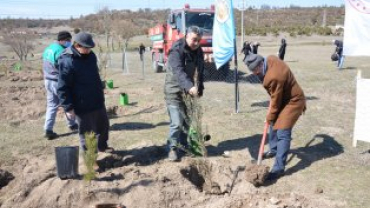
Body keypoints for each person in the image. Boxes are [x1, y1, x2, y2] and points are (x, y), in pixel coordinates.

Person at [244, 53, 306, 180]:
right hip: (283, 98)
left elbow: (276, 101)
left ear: (261, 64)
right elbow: (275, 96)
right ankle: (273, 149)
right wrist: (271, 117)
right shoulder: (270, 59)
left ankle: (279, 168)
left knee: (283, 131)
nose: (255, 74)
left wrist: (269, 117)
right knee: (273, 123)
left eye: (256, 70)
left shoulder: (274, 77)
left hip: (293, 101)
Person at [57, 32, 113, 153]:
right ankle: (91, 159)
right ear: (77, 45)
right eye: (86, 48)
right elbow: (63, 87)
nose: (89, 50)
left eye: (90, 48)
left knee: (103, 127)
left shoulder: (91, 56)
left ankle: (102, 146)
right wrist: (68, 107)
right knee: (88, 133)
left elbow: (95, 75)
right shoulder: (67, 61)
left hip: (97, 99)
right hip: (81, 103)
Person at [164, 26, 205, 161]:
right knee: (176, 122)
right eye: (194, 40)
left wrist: (200, 88)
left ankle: (183, 145)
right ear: (186, 36)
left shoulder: (199, 51)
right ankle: (172, 148)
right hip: (174, 91)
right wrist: (189, 86)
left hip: (189, 92)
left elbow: (200, 71)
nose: (196, 43)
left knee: (187, 122)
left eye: (199, 40)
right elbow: (179, 72)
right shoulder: (176, 51)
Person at [42, 30, 78, 140]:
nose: (69, 42)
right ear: (62, 40)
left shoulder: (49, 48)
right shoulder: (61, 51)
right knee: (68, 102)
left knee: (52, 106)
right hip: (58, 82)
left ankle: (48, 129)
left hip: (47, 80)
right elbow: (64, 68)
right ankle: (72, 124)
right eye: (68, 40)